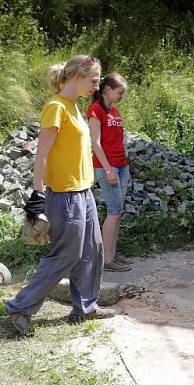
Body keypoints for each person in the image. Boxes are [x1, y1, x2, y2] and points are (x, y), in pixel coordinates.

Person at [5, 55, 117, 335]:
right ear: (77, 76)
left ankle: (86, 306)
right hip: (65, 196)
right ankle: (21, 307)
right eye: (93, 80)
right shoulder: (55, 107)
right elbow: (41, 154)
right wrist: (37, 192)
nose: (96, 86)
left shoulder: (75, 107)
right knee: (65, 256)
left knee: (92, 250)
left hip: (84, 192)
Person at [88, 72, 132, 272]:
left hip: (121, 166)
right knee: (114, 211)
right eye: (120, 92)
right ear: (107, 90)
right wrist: (108, 170)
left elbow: (117, 140)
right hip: (108, 167)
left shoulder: (114, 111)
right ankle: (106, 260)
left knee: (118, 212)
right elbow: (95, 144)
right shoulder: (95, 110)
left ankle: (112, 253)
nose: (122, 96)